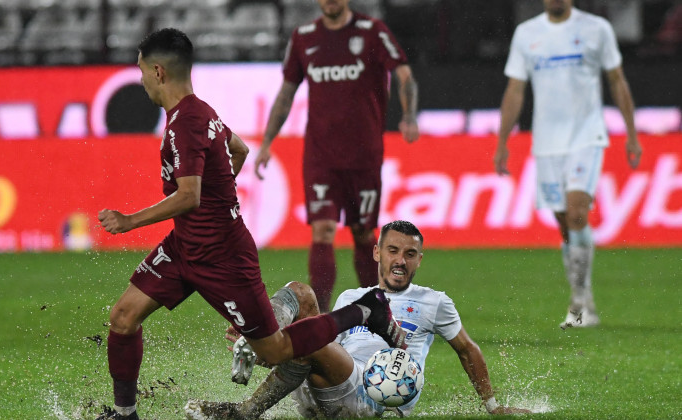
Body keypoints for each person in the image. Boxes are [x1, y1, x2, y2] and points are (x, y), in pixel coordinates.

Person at [95, 28, 407, 420]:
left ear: (158, 71)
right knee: (123, 317)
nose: (141, 81)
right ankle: (125, 415)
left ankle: (366, 309)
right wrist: (219, 197)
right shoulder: (200, 112)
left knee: (273, 350)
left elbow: (189, 196)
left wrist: (129, 221)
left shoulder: (183, 125)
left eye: (141, 72)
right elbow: (237, 149)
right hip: (185, 246)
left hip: (223, 256)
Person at [185, 221, 531, 419]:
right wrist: (274, 350)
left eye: (410, 254)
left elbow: (467, 350)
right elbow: (321, 354)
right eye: (393, 251)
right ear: (377, 253)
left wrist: (493, 406)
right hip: (329, 385)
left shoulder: (435, 302)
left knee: (312, 341)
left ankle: (246, 408)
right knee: (301, 293)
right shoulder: (352, 298)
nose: (400, 261)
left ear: (419, 260)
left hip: (372, 394)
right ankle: (261, 335)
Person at [254, 0, 420, 313]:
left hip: (363, 155)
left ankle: (375, 309)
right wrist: (267, 142)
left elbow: (404, 73)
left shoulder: (371, 32)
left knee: (361, 232)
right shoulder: (304, 37)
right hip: (321, 155)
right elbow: (287, 91)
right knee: (323, 230)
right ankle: (318, 317)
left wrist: (409, 115)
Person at [494, 0, 643, 328]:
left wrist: (632, 133)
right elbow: (515, 89)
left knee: (577, 212)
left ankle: (578, 306)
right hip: (547, 143)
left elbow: (617, 80)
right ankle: (584, 298)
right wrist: (503, 140)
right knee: (564, 223)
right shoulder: (527, 33)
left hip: (586, 137)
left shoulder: (596, 29)